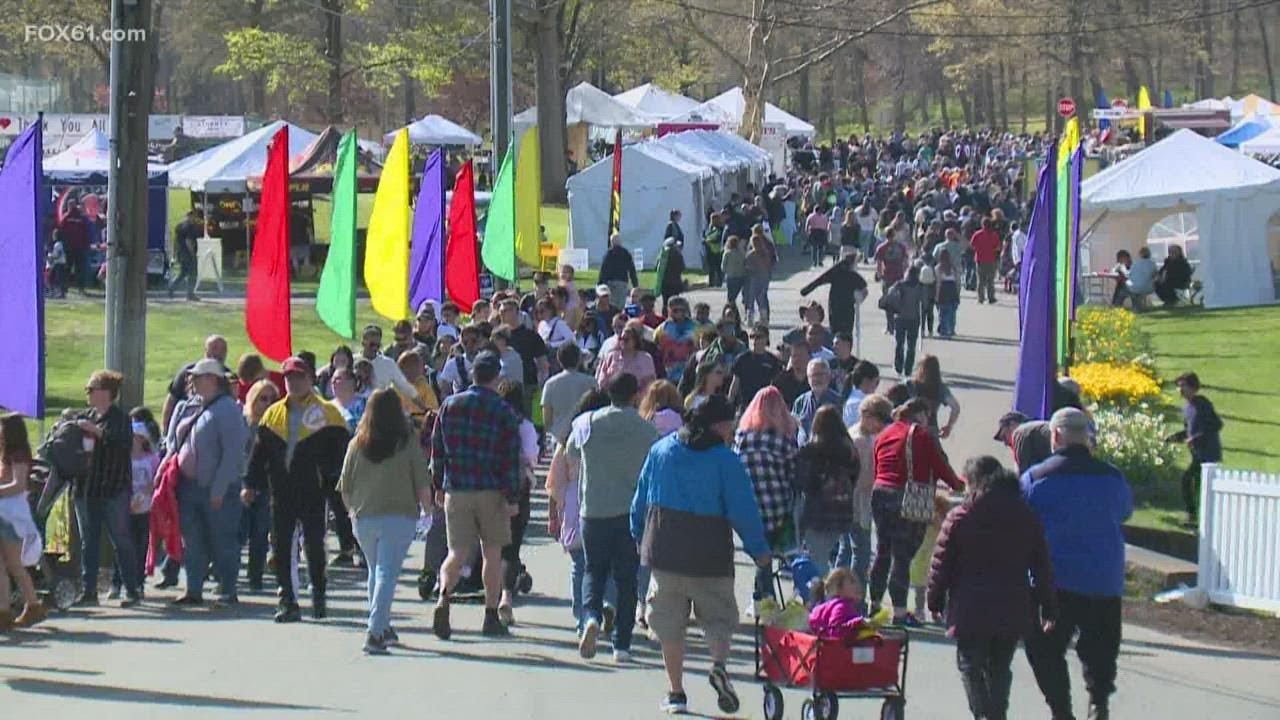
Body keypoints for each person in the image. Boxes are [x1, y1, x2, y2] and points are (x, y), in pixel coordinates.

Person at [631, 395, 771, 715]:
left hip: (665, 550)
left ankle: (676, 692)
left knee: (669, 625)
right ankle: (719, 664)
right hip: (710, 553)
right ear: (719, 425)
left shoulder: (661, 450)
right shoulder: (726, 460)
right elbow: (743, 510)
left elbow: (641, 498)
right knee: (719, 619)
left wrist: (639, 534)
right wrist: (759, 551)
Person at [1021, 408, 1133, 720]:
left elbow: (1022, 521)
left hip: (1054, 580)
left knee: (1043, 648)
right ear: (1088, 437)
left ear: (1055, 436)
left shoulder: (1035, 479)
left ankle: (1061, 709)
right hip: (1103, 578)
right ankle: (1099, 702)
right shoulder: (1113, 478)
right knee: (1101, 648)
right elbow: (1125, 511)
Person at [928, 456, 1057, 720]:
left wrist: (935, 600)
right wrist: (1049, 606)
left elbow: (941, 564)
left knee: (970, 666)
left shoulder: (961, 517)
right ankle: (996, 715)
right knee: (1000, 667)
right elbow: (1042, 565)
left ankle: (983, 714)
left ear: (973, 482)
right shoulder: (1026, 517)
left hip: (970, 607)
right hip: (1012, 605)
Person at [245, 357, 350, 622]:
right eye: (289, 378)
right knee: (281, 546)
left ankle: (318, 596)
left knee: (314, 545)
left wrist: (334, 484)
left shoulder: (328, 414)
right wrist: (251, 484)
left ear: (311, 379)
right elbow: (260, 455)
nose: (294, 382)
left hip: (313, 490)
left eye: (300, 377)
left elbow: (341, 457)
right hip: (281, 491)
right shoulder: (273, 414)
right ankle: (287, 600)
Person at [429, 351, 522, 639]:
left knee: (456, 552)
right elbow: (510, 457)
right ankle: (490, 615)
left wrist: (439, 485)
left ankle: (444, 595)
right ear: (496, 377)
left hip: (457, 487)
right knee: (491, 554)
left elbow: (438, 450)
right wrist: (512, 496)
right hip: (491, 489)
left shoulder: (449, 405)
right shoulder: (503, 410)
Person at [566, 373, 658, 662]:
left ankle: (590, 616)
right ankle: (622, 644)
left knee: (594, 570)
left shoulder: (586, 424)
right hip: (630, 513)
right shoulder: (646, 430)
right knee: (627, 578)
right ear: (635, 396)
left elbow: (570, 453)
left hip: (593, 509)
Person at [339, 388, 433, 655]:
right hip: (398, 516)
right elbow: (422, 483)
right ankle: (375, 631)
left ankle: (383, 624)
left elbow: (345, 486)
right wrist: (428, 511)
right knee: (386, 573)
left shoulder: (357, 443)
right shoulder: (406, 442)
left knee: (376, 571)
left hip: (364, 517)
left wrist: (351, 513)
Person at [869, 398, 964, 624]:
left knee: (883, 552)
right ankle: (900, 612)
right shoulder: (920, 435)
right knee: (902, 557)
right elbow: (940, 467)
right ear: (920, 414)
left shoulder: (884, 433)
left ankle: (873, 605)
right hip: (909, 497)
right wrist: (957, 485)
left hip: (880, 493)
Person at [72, 370, 142, 608]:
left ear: (106, 393)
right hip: (86, 489)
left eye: (91, 389)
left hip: (113, 489)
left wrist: (95, 431)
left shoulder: (121, 418)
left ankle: (132, 589)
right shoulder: (86, 416)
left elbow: (121, 444)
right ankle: (89, 590)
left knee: (121, 541)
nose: (88, 393)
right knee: (88, 542)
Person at [734, 387, 799, 601]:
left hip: (748, 504)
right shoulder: (784, 439)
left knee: (761, 554)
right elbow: (793, 474)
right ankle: (764, 596)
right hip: (777, 504)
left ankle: (763, 596)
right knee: (772, 551)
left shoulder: (743, 437)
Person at [794, 406, 860, 576]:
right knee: (835, 554)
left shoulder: (811, 451)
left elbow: (803, 481)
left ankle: (821, 597)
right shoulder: (849, 449)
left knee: (818, 561)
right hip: (841, 511)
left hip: (817, 513)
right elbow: (855, 475)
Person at [0, 415, 46, 628]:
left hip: (12, 515)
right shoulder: (4, 455)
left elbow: (18, 485)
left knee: (14, 565)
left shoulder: (17, 455)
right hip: (4, 513)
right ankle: (4, 610)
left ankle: (33, 605)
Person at [844, 394, 891, 588]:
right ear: (867, 415)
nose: (882, 426)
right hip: (857, 504)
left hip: (851, 503)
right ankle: (856, 600)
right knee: (861, 554)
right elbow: (862, 480)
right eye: (880, 420)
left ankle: (838, 597)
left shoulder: (858, 434)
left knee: (846, 551)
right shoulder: (861, 441)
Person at [1174, 372, 1223, 525]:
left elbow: (1216, 425)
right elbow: (1188, 431)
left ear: (1193, 387)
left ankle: (1198, 518)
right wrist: (1175, 437)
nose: (1180, 390)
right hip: (1197, 455)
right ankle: (1195, 517)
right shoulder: (1187, 408)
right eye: (1179, 387)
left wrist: (1195, 438)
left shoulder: (1202, 404)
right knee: (1190, 483)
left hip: (1209, 454)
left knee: (1192, 483)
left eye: (1184, 386)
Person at [163, 335, 230, 432]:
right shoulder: (188, 372)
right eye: (214, 348)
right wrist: (165, 430)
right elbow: (171, 400)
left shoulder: (228, 377)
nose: (218, 352)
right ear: (206, 350)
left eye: (223, 349)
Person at [799, 249, 868, 338]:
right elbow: (865, 291)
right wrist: (857, 301)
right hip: (847, 306)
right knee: (846, 331)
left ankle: (835, 345)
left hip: (834, 304)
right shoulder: (853, 275)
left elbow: (819, 281)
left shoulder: (835, 271)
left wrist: (805, 291)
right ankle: (846, 347)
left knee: (835, 329)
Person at [541, 344, 597, 449]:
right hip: (585, 435)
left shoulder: (550, 383)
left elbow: (547, 419)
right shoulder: (591, 382)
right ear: (579, 359)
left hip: (559, 437)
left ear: (559, 360)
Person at [883, 265, 928, 380]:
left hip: (900, 317)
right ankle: (908, 369)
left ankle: (898, 366)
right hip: (914, 318)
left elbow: (890, 293)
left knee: (899, 343)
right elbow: (925, 302)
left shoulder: (899, 284)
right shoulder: (920, 286)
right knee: (911, 345)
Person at [728, 325, 782, 413]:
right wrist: (730, 403)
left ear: (766, 338)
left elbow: (776, 386)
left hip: (765, 407)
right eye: (752, 336)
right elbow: (735, 384)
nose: (755, 340)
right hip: (745, 407)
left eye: (759, 337)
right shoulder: (742, 359)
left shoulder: (772, 360)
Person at [907, 355, 962, 439]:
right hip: (930, 430)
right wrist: (948, 426)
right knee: (934, 451)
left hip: (908, 429)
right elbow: (955, 407)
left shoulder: (909, 385)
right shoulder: (940, 388)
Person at [792, 359, 842, 444]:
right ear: (808, 378)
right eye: (813, 375)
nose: (817, 379)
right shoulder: (800, 401)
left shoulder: (838, 401)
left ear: (829, 377)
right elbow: (793, 428)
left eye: (821, 374)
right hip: (805, 453)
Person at [596, 326, 657, 395]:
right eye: (621, 339)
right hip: (612, 396)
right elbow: (602, 374)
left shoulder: (645, 358)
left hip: (636, 398)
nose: (623, 342)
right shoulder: (612, 356)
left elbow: (650, 382)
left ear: (635, 341)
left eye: (627, 339)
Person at [653, 297, 697, 386]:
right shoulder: (661, 329)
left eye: (682, 310)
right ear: (669, 311)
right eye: (675, 310)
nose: (679, 313)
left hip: (690, 373)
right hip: (668, 373)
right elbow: (656, 350)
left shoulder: (697, 328)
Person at [874, 227, 911, 330]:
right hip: (898, 276)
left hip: (888, 276)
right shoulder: (900, 247)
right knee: (900, 301)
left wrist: (879, 273)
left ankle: (890, 326)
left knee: (888, 302)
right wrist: (905, 271)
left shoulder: (882, 247)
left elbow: (879, 263)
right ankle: (898, 325)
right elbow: (906, 261)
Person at [58, 198, 94, 292]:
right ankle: (78, 287)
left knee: (69, 268)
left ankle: (65, 288)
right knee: (78, 268)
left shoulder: (67, 217)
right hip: (77, 247)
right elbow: (86, 231)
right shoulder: (80, 217)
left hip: (72, 247)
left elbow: (61, 230)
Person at [744, 227, 777, 326]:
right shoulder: (766, 251)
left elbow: (747, 267)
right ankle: (764, 318)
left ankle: (750, 318)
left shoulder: (751, 254)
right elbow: (770, 264)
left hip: (754, 277)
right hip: (765, 277)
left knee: (751, 297)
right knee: (762, 297)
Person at [168, 208, 203, 300]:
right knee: (193, 274)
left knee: (183, 273)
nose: (195, 218)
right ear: (191, 216)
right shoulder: (191, 227)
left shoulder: (179, 226)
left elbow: (175, 241)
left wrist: (174, 254)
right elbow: (188, 241)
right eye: (194, 216)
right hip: (188, 254)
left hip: (180, 253)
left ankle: (172, 288)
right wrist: (193, 255)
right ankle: (190, 294)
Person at [600, 233, 639, 302]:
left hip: (610, 283)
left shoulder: (608, 254)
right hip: (622, 283)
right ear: (620, 242)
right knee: (620, 305)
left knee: (611, 305)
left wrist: (601, 283)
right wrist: (635, 284)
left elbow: (604, 270)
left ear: (611, 242)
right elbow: (632, 269)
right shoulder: (626, 253)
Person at [771, 340, 811, 408]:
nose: (797, 359)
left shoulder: (815, 378)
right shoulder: (781, 380)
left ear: (809, 357)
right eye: (794, 356)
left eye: (801, 355)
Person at [970, 216, 1001, 304]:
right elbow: (998, 247)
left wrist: (979, 249)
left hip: (980, 259)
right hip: (991, 259)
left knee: (980, 280)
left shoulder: (977, 234)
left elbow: (972, 245)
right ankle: (991, 297)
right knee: (990, 280)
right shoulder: (994, 235)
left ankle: (981, 298)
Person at [841, 360, 881, 427]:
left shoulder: (851, 397)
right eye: (876, 382)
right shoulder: (862, 403)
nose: (876, 386)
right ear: (866, 381)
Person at [935, 248, 961, 339]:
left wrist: (937, 296)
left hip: (943, 290)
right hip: (952, 290)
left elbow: (938, 283)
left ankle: (943, 330)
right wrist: (958, 293)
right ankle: (951, 329)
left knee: (942, 312)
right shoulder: (953, 267)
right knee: (952, 312)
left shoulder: (938, 268)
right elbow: (958, 282)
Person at [720, 235, 748, 309]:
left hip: (731, 276)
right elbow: (745, 263)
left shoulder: (727, 253)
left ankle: (731, 312)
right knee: (741, 294)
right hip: (741, 276)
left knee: (731, 297)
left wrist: (726, 272)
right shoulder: (742, 253)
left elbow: (723, 266)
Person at [702, 212, 726, 288]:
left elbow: (719, 239)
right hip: (709, 250)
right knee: (711, 268)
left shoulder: (721, 229)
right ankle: (711, 282)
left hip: (717, 251)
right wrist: (705, 241)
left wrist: (709, 241)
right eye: (712, 219)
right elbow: (704, 236)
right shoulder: (709, 229)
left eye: (714, 219)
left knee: (718, 268)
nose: (712, 221)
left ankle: (719, 282)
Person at [805, 203, 832, 267]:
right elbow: (826, 226)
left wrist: (807, 231)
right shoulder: (821, 217)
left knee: (817, 248)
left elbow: (807, 224)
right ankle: (817, 261)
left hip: (816, 232)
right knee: (818, 248)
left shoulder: (812, 216)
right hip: (818, 232)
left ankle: (817, 261)